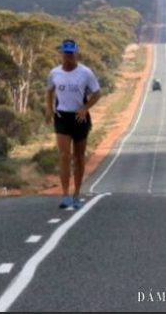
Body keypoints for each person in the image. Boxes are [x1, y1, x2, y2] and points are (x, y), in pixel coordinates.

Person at [45, 38, 101, 210]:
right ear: (61, 53)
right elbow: (49, 91)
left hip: (79, 118)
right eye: (66, 52)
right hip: (62, 116)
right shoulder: (55, 73)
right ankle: (65, 195)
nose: (68, 56)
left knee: (79, 157)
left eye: (71, 52)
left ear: (76, 53)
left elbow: (97, 93)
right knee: (64, 156)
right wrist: (48, 109)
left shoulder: (85, 73)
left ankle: (77, 193)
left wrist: (85, 107)